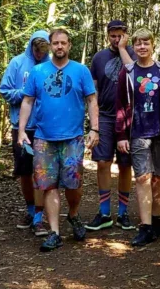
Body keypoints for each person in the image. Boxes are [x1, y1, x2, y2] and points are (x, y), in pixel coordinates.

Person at [18, 28, 100, 252]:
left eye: (63, 43)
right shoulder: (38, 71)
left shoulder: (81, 71)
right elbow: (27, 101)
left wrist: (94, 129)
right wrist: (22, 131)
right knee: (49, 185)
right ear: (50, 45)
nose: (59, 47)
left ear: (69, 45)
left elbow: (92, 100)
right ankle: (54, 232)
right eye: (55, 43)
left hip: (73, 137)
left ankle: (73, 214)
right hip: (44, 138)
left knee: (74, 185)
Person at [115, 28, 160, 247]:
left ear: (153, 45)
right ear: (133, 47)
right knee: (142, 178)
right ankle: (145, 227)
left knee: (158, 178)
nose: (142, 47)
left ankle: (156, 219)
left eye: (146, 43)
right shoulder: (128, 72)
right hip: (137, 132)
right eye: (138, 44)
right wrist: (121, 135)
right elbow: (121, 106)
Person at [86, 20, 136, 231]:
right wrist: (93, 124)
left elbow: (134, 74)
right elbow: (93, 92)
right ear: (108, 35)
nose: (116, 40)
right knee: (103, 162)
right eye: (113, 36)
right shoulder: (98, 58)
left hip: (128, 117)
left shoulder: (134, 54)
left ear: (126, 35)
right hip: (105, 116)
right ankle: (104, 212)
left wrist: (124, 49)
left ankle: (123, 213)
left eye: (120, 35)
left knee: (125, 164)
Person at [0, 30, 51, 235]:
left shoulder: (51, 66)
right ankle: (30, 210)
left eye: (43, 53)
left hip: (44, 127)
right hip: (20, 127)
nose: (40, 56)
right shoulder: (17, 63)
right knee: (25, 172)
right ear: (32, 47)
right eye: (37, 52)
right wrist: (25, 93)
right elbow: (5, 90)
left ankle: (40, 216)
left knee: (43, 172)